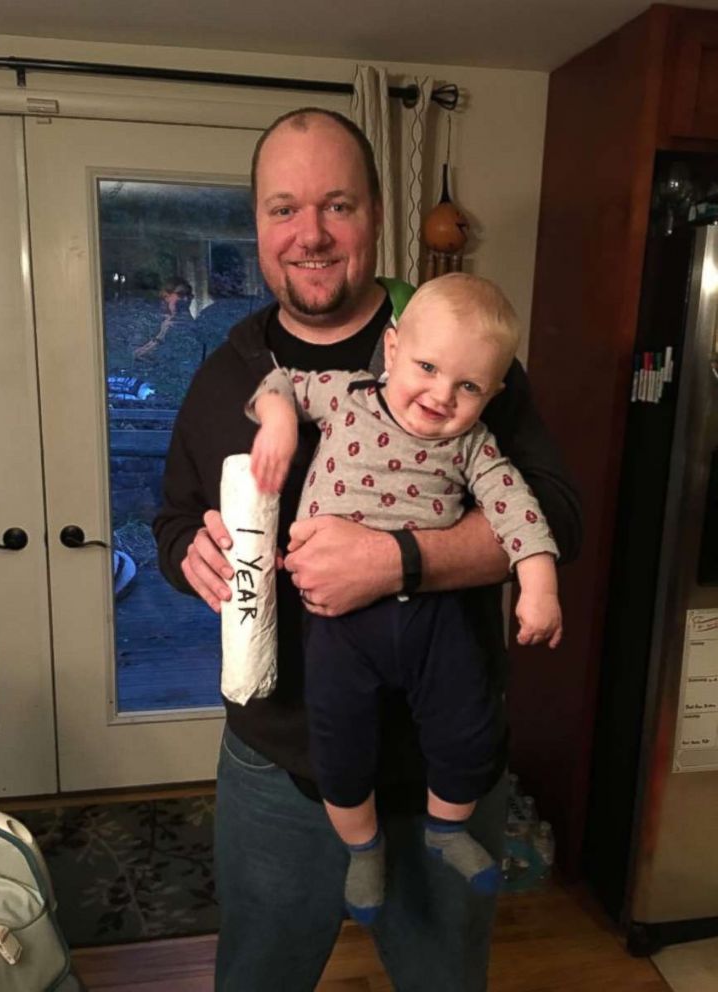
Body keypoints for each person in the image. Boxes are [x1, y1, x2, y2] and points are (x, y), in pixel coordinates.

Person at [153, 107, 582, 992]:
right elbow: (173, 518)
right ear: (258, 225)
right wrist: (183, 555)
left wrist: (401, 562)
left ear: (377, 215)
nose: (310, 234)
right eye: (283, 208)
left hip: (441, 766)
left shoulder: (452, 344)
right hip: (278, 767)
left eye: (336, 204)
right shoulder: (228, 371)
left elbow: (557, 515)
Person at [247, 271, 562, 924]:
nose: (441, 396)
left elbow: (519, 510)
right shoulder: (347, 397)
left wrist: (539, 586)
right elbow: (280, 384)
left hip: (433, 614)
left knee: (469, 726)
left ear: (492, 393)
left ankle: (447, 831)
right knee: (336, 741)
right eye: (426, 366)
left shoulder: (474, 446)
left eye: (469, 386)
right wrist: (278, 421)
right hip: (340, 624)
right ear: (392, 351)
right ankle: (362, 846)